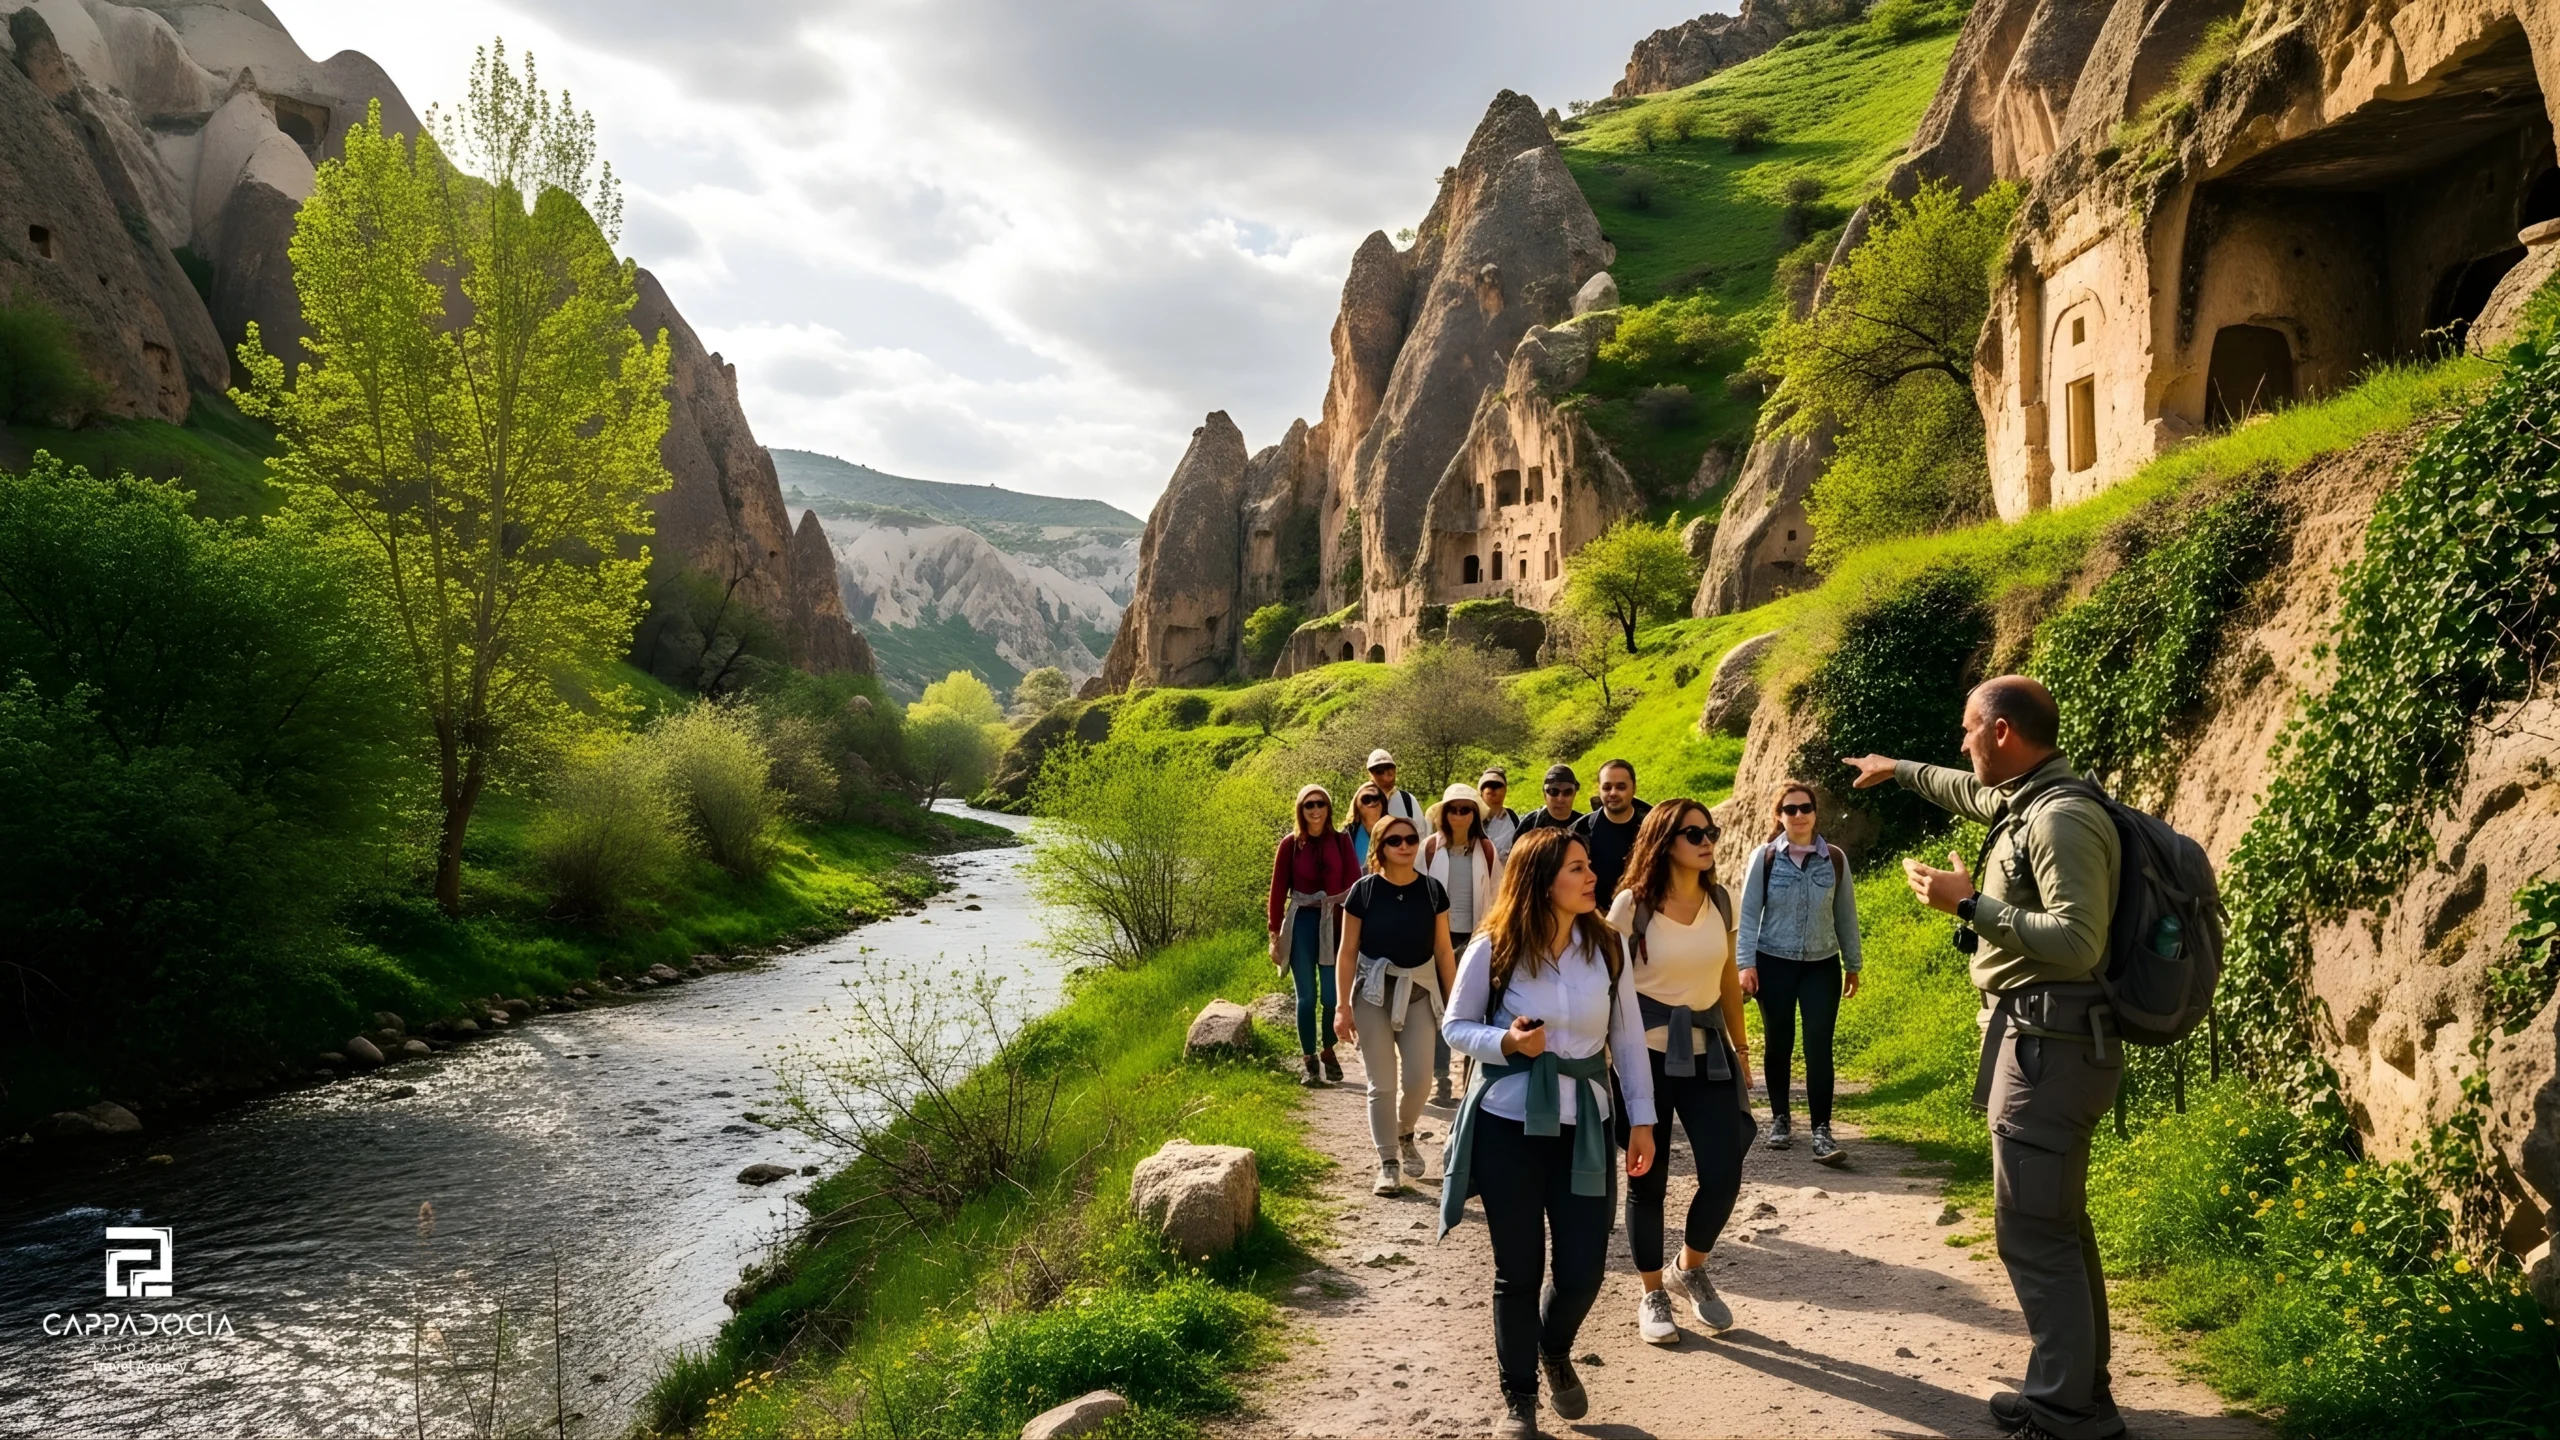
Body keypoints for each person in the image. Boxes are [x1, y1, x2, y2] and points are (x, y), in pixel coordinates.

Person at [1844, 675, 2123, 1440]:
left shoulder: (2060, 817)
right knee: (2055, 1225)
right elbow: (1964, 787)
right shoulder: (2027, 798)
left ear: (2002, 732)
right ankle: (2077, 1392)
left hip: (2051, 1047)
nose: (1961, 742)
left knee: (2034, 1232)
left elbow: (2079, 940)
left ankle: (2065, 1414)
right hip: (2044, 1039)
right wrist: (1898, 770)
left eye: (1969, 728)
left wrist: (1968, 905)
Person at [1439, 828, 1657, 1439]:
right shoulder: (1494, 946)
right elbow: (1456, 1026)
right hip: (1506, 1123)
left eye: (1589, 866)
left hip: (1585, 1123)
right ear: (1542, 881)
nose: (1592, 877)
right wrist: (1507, 1041)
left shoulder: (1608, 946)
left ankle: (1553, 1347)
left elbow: (1628, 1039)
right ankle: (1519, 1401)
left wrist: (1642, 1120)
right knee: (1518, 1271)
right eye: (1577, 869)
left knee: (1584, 1270)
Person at [1606, 799, 1752, 1345]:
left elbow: (1728, 980)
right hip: (1643, 1055)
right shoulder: (1631, 906)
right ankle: (1652, 1293)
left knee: (1725, 1169)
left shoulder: (1722, 900)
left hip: (1708, 1051)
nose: (1707, 840)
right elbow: (1608, 985)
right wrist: (1605, 1058)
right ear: (1665, 841)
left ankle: (1688, 1267)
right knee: (1648, 1178)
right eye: (1694, 833)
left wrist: (1742, 1048)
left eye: (1710, 831)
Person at [1734, 780, 1863, 1165]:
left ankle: (1822, 1130)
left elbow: (1846, 914)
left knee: (1819, 1046)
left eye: (1805, 807)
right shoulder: (1765, 858)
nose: (1799, 815)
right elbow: (1748, 913)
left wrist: (1853, 964)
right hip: (1773, 961)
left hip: (1822, 964)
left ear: (1815, 813)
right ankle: (1780, 1120)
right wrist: (1745, 964)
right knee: (1779, 1043)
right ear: (1779, 815)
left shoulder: (1834, 858)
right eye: (1790, 809)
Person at [1334, 812, 1457, 1196]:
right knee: (1382, 1084)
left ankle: (1404, 1132)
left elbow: (1443, 951)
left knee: (1420, 1080)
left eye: (1411, 839)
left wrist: (1457, 1003)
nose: (1405, 846)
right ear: (1380, 847)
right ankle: (1388, 1163)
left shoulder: (1433, 891)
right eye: (1395, 840)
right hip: (1372, 996)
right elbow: (1347, 952)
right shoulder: (1364, 891)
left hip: (1419, 992)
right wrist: (1342, 1007)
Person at [1268, 784, 1360, 1087]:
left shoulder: (1342, 841)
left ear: (1328, 808)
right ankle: (1309, 1061)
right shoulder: (1290, 845)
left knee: (1332, 997)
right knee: (1306, 998)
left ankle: (1328, 1050)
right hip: (1302, 923)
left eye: (1321, 803)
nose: (1316, 810)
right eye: (1309, 805)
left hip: (1334, 923)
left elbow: (1355, 885)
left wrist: (1358, 927)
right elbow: (1277, 891)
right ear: (1301, 810)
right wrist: (1274, 935)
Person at [1422, 782, 1504, 1105]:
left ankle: (1470, 1082)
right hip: (1437, 939)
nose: (1459, 815)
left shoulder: (1487, 851)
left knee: (1475, 1012)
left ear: (1474, 815)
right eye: (1453, 809)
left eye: (1466, 809)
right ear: (1444, 814)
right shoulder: (1429, 849)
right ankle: (1441, 1080)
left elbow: (1498, 896)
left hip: (1476, 939)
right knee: (1441, 1011)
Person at [1569, 758, 1651, 902]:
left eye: (1621, 787)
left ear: (1634, 788)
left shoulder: (1654, 828)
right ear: (1599, 790)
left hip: (1646, 909)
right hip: (1596, 911)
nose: (1613, 793)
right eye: (1607, 788)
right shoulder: (1578, 832)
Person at [1519, 764, 1581, 836]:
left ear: (1574, 794)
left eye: (1567, 792)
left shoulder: (1585, 825)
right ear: (1545, 795)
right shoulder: (1530, 824)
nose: (1560, 799)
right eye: (1553, 792)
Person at [1366, 748, 1423, 824]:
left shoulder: (1408, 800)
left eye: (1388, 767)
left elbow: (1421, 830)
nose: (1385, 773)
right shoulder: (1364, 801)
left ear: (1394, 770)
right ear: (1370, 775)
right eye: (1378, 770)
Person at [1479, 769, 1523, 860]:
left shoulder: (1513, 818)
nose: (1492, 788)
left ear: (1505, 790)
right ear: (1480, 792)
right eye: (1487, 785)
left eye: (1497, 785)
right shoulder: (1469, 817)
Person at [1348, 783, 1389, 868]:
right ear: (1357, 807)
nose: (1372, 802)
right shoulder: (1346, 837)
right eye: (1366, 799)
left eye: (1376, 798)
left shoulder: (1395, 830)